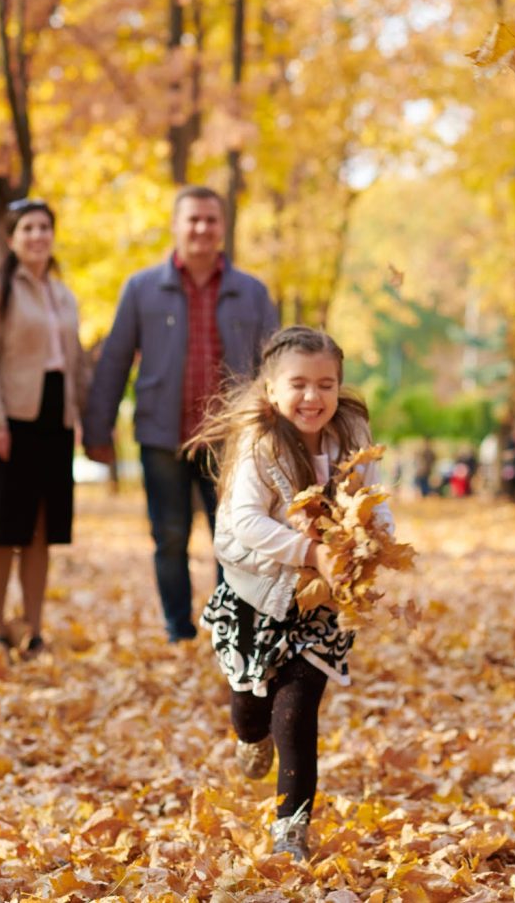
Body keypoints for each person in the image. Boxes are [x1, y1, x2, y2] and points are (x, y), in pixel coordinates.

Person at [188, 326, 392, 862]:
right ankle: (247, 737)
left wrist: (377, 536)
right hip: (257, 596)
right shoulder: (260, 442)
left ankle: (290, 830)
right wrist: (310, 552)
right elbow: (245, 523)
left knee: (297, 713)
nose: (312, 397)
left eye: (325, 384)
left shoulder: (351, 433)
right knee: (253, 710)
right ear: (273, 389)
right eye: (298, 384)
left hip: (316, 606)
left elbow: (374, 500)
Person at [83, 186, 279, 642]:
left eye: (211, 219)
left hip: (231, 443)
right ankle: (178, 629)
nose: (201, 228)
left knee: (234, 540)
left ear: (222, 228)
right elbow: (114, 360)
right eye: (193, 219)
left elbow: (276, 363)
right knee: (169, 538)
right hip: (161, 435)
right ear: (175, 225)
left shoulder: (250, 292)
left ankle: (228, 631)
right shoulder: (142, 288)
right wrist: (98, 428)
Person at [0, 198, 88, 660]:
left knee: (41, 529)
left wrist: (77, 417)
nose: (38, 236)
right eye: (28, 228)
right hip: (9, 418)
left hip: (54, 419)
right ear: (12, 238)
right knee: (1, 529)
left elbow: (74, 361)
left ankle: (32, 629)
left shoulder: (62, 294)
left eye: (44, 228)